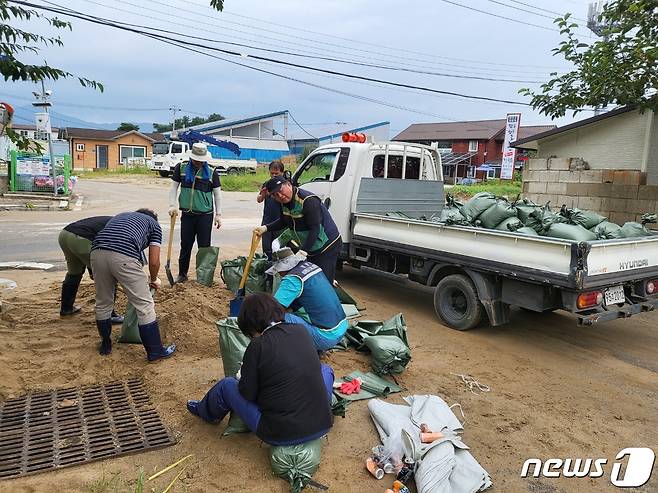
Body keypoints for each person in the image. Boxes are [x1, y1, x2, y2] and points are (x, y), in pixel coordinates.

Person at [186, 292, 334, 446]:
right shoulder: (301, 331)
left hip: (279, 434)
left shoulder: (257, 345)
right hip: (322, 424)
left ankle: (206, 412)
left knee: (227, 385)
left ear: (250, 325)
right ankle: (322, 407)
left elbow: (248, 394)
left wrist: (245, 376)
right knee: (325, 370)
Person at [90, 209, 175, 361]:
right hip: (123, 256)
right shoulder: (154, 225)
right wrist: (153, 279)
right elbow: (154, 262)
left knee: (103, 302)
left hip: (97, 253)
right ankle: (156, 352)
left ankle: (106, 344)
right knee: (145, 305)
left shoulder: (120, 216)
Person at [254, 177, 342, 283]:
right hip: (311, 247)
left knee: (324, 280)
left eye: (281, 191)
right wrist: (265, 228)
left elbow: (315, 229)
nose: (280, 196)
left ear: (288, 185)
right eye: (276, 195)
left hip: (327, 246)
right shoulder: (284, 203)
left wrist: (303, 251)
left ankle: (331, 295)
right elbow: (284, 221)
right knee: (311, 278)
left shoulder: (308, 200)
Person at [267, 247, 348, 351]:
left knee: (275, 319)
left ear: (283, 268)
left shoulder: (292, 279)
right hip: (341, 327)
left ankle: (292, 352)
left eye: (278, 270)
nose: (278, 274)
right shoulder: (312, 266)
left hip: (325, 336)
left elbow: (274, 311)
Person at [168, 142, 222, 283]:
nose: (198, 162)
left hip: (205, 215)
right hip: (187, 215)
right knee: (185, 245)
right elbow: (173, 188)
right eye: (196, 159)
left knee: (204, 247)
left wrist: (218, 215)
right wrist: (172, 205)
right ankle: (182, 274)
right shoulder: (181, 168)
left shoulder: (212, 172)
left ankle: (203, 277)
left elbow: (217, 195)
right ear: (191, 157)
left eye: (201, 160)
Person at [58, 215, 122, 323]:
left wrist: (92, 269)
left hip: (65, 234)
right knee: (107, 276)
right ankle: (109, 315)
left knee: (74, 272)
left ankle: (66, 308)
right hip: (82, 239)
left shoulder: (118, 220)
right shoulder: (125, 227)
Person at [256, 160, 284, 260]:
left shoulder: (285, 186)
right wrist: (263, 195)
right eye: (272, 173)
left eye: (277, 173)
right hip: (267, 221)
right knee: (267, 249)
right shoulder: (266, 184)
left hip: (281, 222)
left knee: (279, 249)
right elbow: (259, 199)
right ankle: (267, 272)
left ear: (282, 173)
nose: (274, 175)